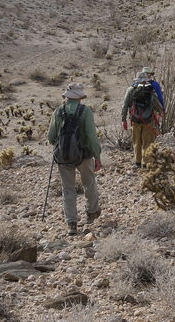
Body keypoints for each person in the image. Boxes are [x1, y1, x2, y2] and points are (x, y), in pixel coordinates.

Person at [47, 82, 102, 236]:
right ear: (80, 97)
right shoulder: (85, 111)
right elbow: (92, 136)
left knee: (68, 189)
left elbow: (51, 137)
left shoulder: (58, 111)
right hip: (84, 155)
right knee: (89, 183)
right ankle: (91, 213)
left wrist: (62, 145)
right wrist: (97, 156)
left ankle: (72, 223)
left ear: (67, 96)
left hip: (63, 157)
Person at [122, 72, 163, 167]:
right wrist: (159, 115)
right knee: (148, 142)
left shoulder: (130, 90)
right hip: (149, 120)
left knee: (137, 141)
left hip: (135, 120)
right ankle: (146, 162)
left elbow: (125, 105)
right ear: (146, 80)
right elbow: (158, 106)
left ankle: (138, 162)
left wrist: (123, 119)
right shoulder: (151, 90)